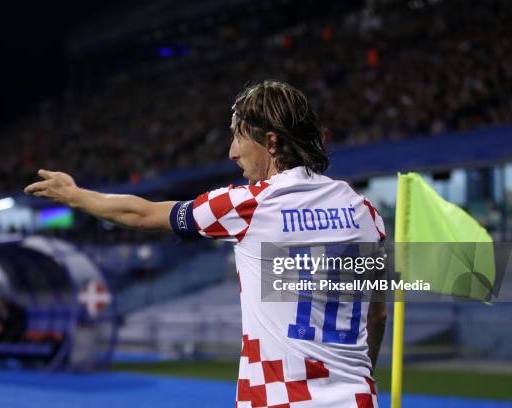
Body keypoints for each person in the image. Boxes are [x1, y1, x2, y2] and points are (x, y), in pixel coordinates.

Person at [25, 79, 387, 407]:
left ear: (271, 142)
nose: (232, 152)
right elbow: (377, 313)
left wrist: (75, 196)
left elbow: (143, 214)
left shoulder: (248, 205)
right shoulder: (363, 211)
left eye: (238, 137)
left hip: (278, 400)